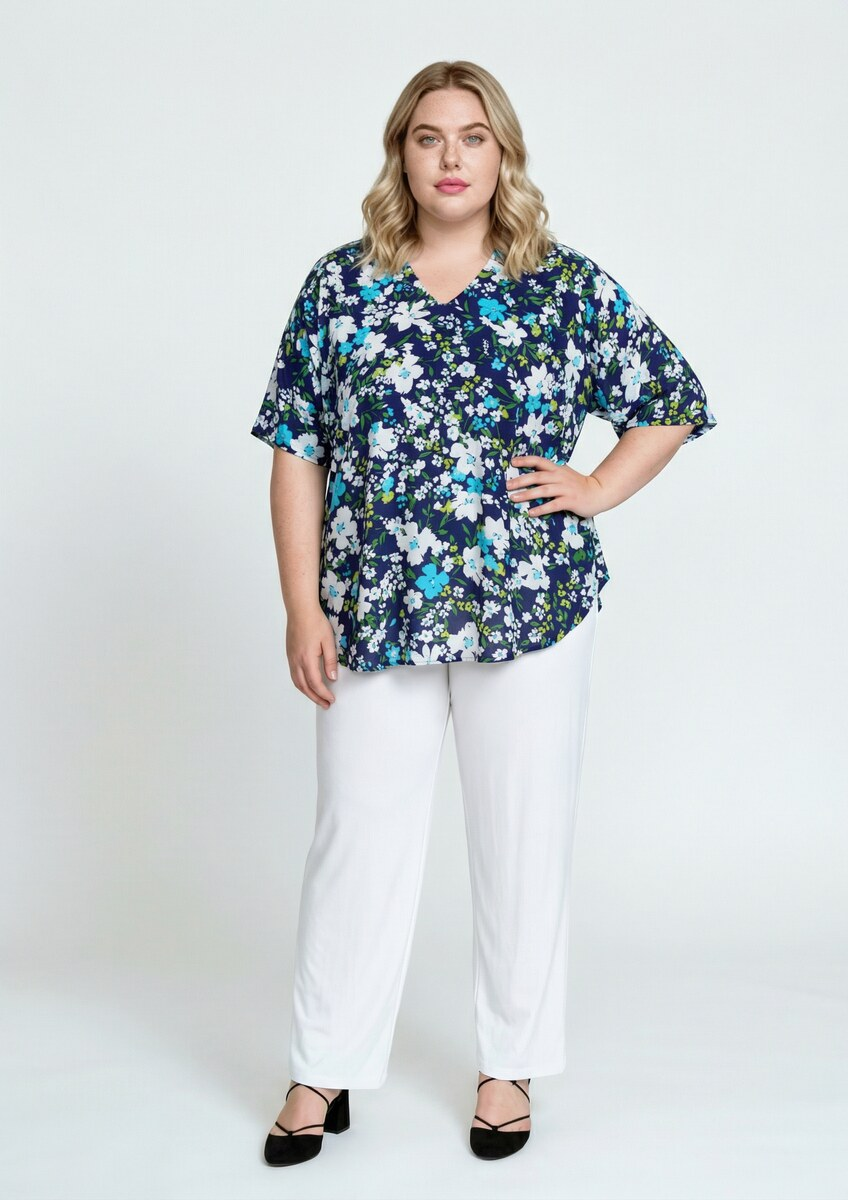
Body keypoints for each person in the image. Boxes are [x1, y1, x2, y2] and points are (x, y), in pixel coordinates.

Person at [250, 60, 717, 1166]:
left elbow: (670, 398)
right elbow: (296, 451)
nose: (450, 157)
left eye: (472, 136)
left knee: (521, 838)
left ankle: (507, 1065)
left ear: (502, 153)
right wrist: (300, 606)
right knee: (356, 836)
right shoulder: (340, 288)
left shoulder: (560, 285)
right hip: (372, 612)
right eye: (428, 137)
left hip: (529, 607)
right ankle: (323, 1065)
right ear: (400, 154)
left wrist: (594, 487)